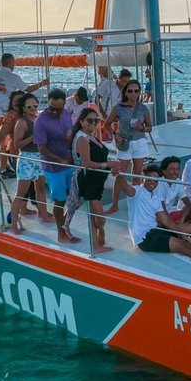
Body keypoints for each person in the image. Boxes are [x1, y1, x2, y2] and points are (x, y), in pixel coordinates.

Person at [119, 163, 191, 275]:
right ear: (142, 179)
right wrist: (118, 173)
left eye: (155, 181)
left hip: (155, 229)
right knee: (184, 246)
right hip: (145, 238)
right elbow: (124, 186)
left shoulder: (155, 196)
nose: (153, 183)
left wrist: (180, 233)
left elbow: (165, 220)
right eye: (149, 180)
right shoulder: (137, 192)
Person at [33, 88, 81, 245]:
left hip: (69, 163)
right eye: (52, 108)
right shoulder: (40, 120)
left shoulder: (66, 114)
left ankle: (65, 226)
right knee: (59, 201)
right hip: (54, 167)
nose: (55, 112)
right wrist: (59, 159)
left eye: (58, 109)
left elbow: (70, 135)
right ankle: (61, 233)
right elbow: (41, 148)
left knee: (73, 198)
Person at [0, 53, 49, 173]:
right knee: (10, 140)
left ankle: (3, 167)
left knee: (0, 139)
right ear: (11, 62)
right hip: (8, 111)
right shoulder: (14, 77)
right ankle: (10, 165)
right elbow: (28, 89)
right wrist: (43, 82)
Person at [105, 79, 151, 214]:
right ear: (125, 92)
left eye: (136, 91)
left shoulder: (143, 108)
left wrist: (142, 128)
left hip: (140, 143)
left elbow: (150, 127)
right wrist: (115, 134)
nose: (133, 94)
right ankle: (114, 204)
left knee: (137, 174)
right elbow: (106, 125)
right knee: (120, 174)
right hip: (124, 143)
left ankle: (135, 201)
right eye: (130, 91)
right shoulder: (118, 107)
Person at [71, 107, 113, 254]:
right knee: (99, 217)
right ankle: (98, 240)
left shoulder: (91, 136)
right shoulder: (82, 138)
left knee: (95, 214)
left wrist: (110, 164)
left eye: (96, 120)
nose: (94, 123)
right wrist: (108, 165)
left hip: (97, 180)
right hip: (88, 180)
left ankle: (97, 242)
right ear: (82, 121)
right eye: (90, 120)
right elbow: (87, 163)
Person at [8, 94, 44, 233]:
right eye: (29, 106)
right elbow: (17, 144)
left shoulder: (38, 119)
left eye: (35, 105)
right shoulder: (22, 122)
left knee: (40, 188)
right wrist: (33, 137)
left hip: (40, 157)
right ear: (23, 108)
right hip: (27, 158)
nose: (33, 108)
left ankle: (43, 213)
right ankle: (13, 226)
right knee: (21, 193)